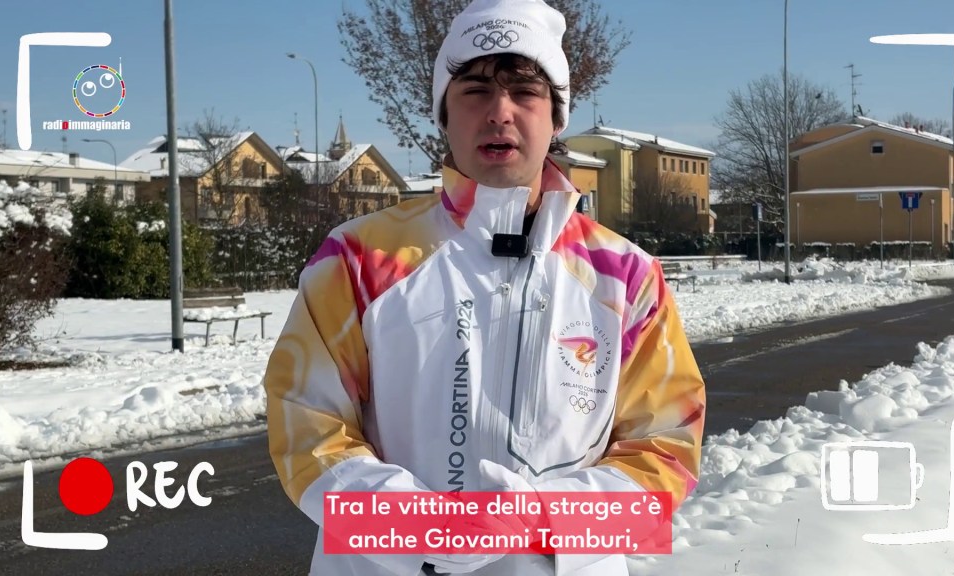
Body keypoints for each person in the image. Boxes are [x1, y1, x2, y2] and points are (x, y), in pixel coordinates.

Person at [263, 0, 706, 574]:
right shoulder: (358, 259)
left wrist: (543, 518)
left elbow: (668, 451)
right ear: (444, 114)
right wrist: (415, 526)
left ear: (556, 117)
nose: (500, 112)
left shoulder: (625, 275)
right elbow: (306, 431)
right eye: (474, 90)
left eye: (525, 92)